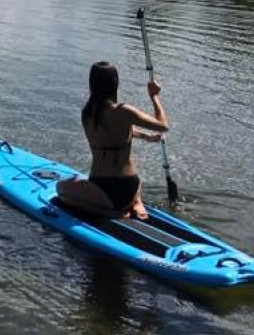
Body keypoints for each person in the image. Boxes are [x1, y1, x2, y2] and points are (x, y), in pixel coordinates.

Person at [55, 60, 169, 220]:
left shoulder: (87, 113)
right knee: (129, 177)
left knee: (60, 190)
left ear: (92, 83)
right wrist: (154, 97)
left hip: (103, 189)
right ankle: (136, 202)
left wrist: (146, 136)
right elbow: (162, 126)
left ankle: (109, 212)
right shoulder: (124, 111)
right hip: (131, 186)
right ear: (116, 83)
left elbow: (162, 127)